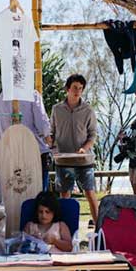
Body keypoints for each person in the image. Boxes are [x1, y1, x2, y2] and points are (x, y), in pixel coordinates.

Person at [49, 74, 99, 223]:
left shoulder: (88, 110)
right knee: (65, 197)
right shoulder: (56, 109)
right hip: (63, 161)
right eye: (75, 88)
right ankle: (67, 228)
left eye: (80, 88)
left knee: (90, 193)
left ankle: (99, 227)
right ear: (67, 89)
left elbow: (93, 134)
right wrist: (52, 146)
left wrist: (85, 148)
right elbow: (51, 132)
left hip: (84, 161)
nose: (77, 91)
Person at [0, 89, 53, 190]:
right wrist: (49, 139)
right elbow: (42, 126)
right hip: (35, 152)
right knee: (38, 193)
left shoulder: (2, 96)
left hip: (9, 153)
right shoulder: (32, 94)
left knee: (14, 192)